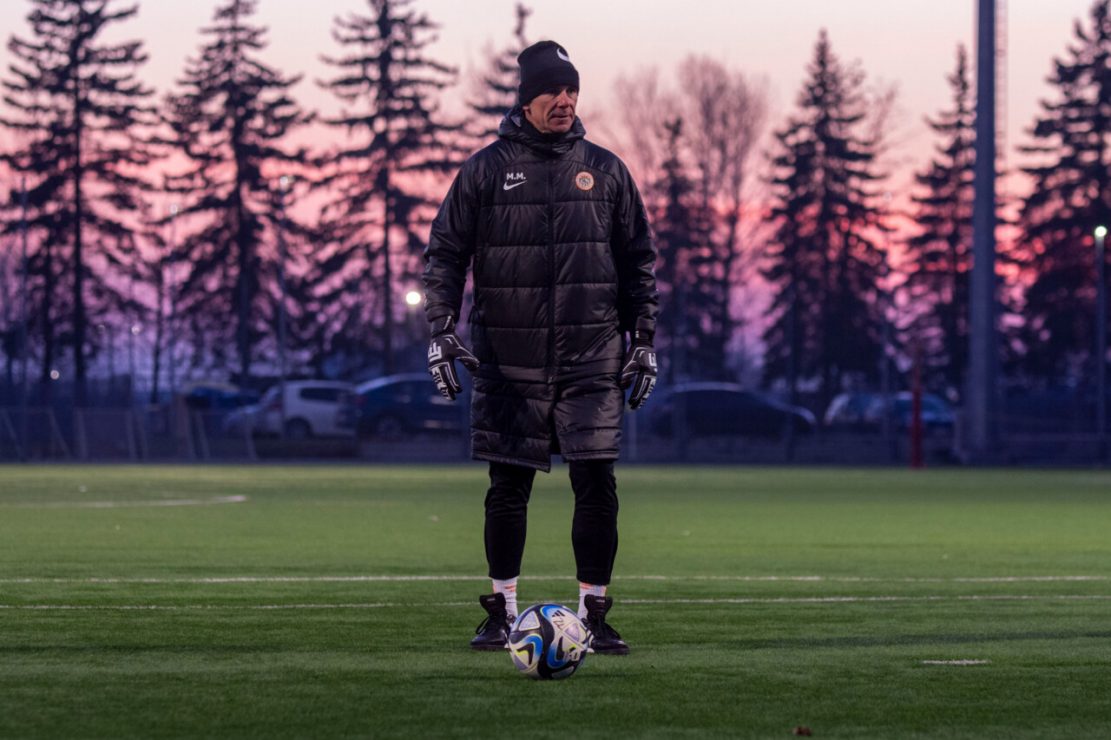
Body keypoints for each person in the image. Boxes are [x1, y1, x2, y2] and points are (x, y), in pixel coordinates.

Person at [422, 40, 658, 655]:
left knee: (597, 484)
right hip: (507, 357)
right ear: (526, 99)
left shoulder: (606, 171)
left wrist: (645, 341)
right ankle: (500, 611)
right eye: (552, 90)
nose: (564, 100)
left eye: (571, 90)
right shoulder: (484, 171)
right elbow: (444, 253)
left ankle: (595, 615)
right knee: (507, 487)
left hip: (592, 358)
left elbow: (639, 264)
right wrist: (441, 331)